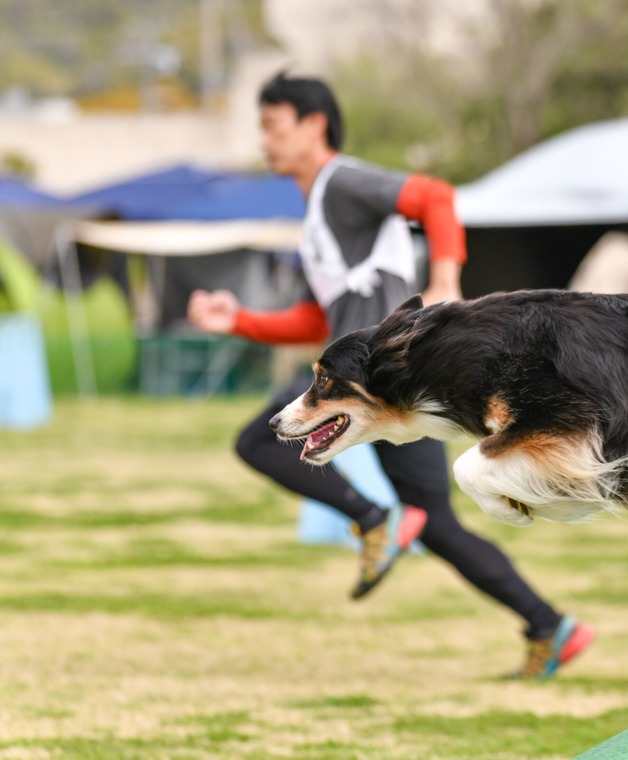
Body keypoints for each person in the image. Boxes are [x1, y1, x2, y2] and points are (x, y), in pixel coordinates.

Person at [187, 72, 592, 679]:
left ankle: (374, 520)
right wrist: (239, 319)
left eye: (272, 126)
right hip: (373, 386)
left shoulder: (342, 181)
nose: (264, 141)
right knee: (437, 525)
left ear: (313, 125)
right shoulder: (322, 210)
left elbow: (435, 196)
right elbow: (319, 320)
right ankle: (550, 626)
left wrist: (448, 283)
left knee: (262, 438)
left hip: (388, 386)